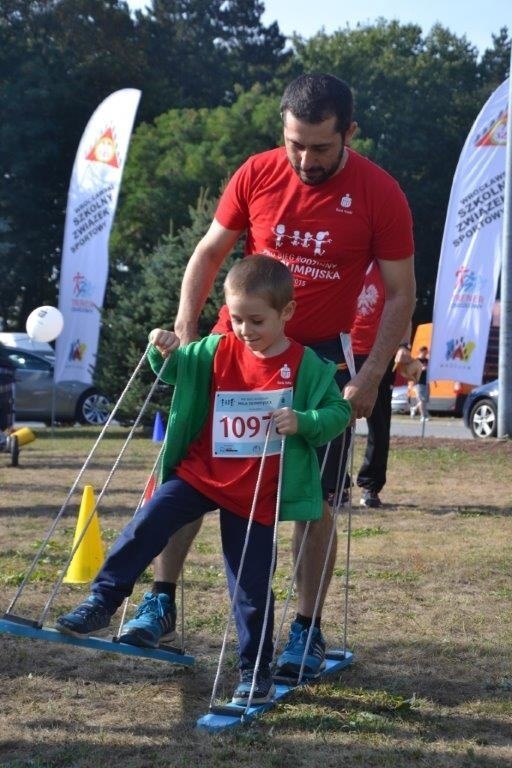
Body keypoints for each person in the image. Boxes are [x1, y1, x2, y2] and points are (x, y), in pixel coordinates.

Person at [122, 72, 416, 677]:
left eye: (321, 147)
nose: (305, 159)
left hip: (319, 363)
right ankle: (160, 602)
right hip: (238, 355)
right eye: (295, 144)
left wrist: (370, 377)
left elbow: (400, 293)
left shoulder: (380, 194)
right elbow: (208, 252)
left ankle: (305, 631)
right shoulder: (256, 172)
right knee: (190, 474)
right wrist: (187, 330)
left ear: (349, 134)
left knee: (315, 504)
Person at [56, 256, 352, 704]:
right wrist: (162, 346)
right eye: (236, 318)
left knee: (250, 584)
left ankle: (255, 672)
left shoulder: (306, 365)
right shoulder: (218, 348)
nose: (245, 329)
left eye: (257, 320)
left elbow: (338, 413)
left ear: (286, 313)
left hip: (253, 495)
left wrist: (305, 420)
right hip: (200, 474)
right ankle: (103, 599)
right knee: (147, 523)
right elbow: (173, 368)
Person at [351, 262, 415, 508]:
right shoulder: (348, 258)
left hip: (379, 355)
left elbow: (404, 308)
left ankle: (370, 486)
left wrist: (403, 346)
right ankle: (336, 486)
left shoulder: (389, 268)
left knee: (378, 424)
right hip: (345, 351)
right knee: (336, 422)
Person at [410, 346, 429, 420]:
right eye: (425, 352)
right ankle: (423, 416)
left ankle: (414, 408)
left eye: (427, 352)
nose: (426, 353)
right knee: (421, 399)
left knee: (424, 400)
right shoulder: (416, 360)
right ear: (422, 351)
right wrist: (422, 369)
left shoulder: (427, 360)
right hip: (418, 382)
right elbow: (412, 371)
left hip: (426, 382)